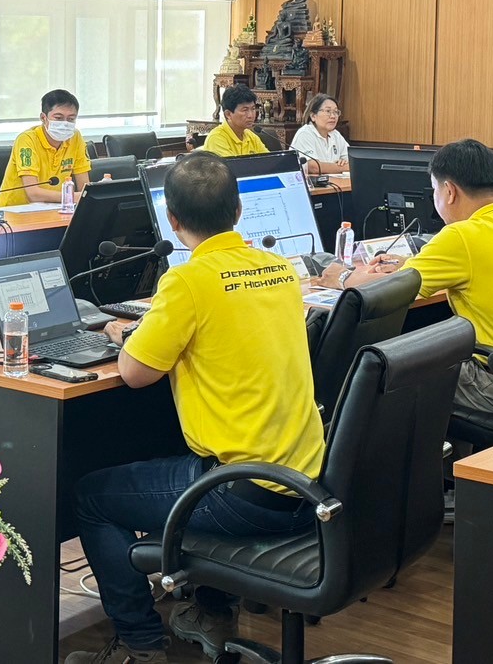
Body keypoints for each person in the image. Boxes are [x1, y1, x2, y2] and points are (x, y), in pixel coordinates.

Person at [67, 154, 322, 664]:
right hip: (307, 484)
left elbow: (136, 373)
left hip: (240, 491)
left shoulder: (188, 281)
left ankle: (139, 643)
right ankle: (210, 610)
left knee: (92, 497)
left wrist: (124, 334)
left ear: (172, 220)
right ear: (239, 210)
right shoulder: (279, 268)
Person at [320, 138, 493, 416]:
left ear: (450, 191)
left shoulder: (461, 235)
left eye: (434, 190)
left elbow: (390, 291)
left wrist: (342, 276)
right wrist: (412, 264)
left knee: (384, 373)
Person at [0, 88, 92, 204]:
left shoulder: (75, 137)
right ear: (43, 118)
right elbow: (33, 194)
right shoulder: (27, 140)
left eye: (71, 119)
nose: (65, 124)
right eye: (58, 118)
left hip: (54, 207)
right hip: (13, 209)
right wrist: (72, 197)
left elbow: (84, 188)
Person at [201, 84, 269, 158]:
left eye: (253, 109)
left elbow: (269, 161)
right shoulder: (216, 138)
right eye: (245, 110)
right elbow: (231, 165)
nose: (251, 115)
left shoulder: (251, 137)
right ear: (228, 114)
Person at [290, 92, 348, 174]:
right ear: (313, 116)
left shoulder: (336, 135)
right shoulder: (305, 133)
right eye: (328, 111)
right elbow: (313, 167)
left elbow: (352, 161)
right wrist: (343, 167)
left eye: (336, 112)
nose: (333, 116)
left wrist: (343, 162)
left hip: (332, 181)